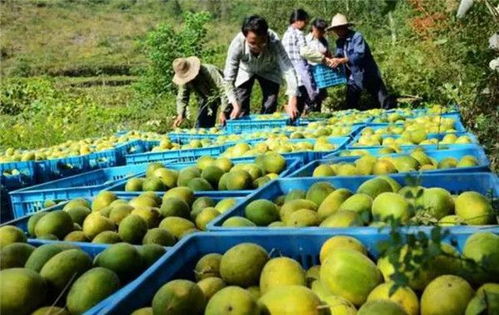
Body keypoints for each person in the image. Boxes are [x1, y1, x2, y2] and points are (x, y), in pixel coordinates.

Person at [222, 15, 300, 123]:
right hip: (246, 69)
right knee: (240, 102)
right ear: (245, 37)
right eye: (253, 43)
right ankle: (242, 130)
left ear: (266, 35)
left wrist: (292, 99)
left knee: (270, 102)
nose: (258, 46)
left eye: (262, 41)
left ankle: (266, 130)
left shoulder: (274, 41)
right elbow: (228, 79)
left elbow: (288, 69)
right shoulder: (237, 45)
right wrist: (234, 105)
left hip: (269, 69)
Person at [326, 13, 394, 109]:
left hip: (367, 72)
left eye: (339, 28)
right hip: (353, 75)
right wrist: (334, 60)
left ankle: (389, 114)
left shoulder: (357, 37)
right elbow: (339, 55)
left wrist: (343, 60)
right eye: (335, 29)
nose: (337, 31)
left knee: (383, 98)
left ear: (345, 27)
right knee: (351, 103)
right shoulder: (339, 42)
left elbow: (359, 54)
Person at [172, 56, 233, 128]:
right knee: (202, 126)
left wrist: (224, 111)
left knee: (230, 122)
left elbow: (224, 90)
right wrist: (180, 114)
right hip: (207, 99)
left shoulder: (210, 71)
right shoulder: (185, 80)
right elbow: (182, 97)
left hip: (228, 96)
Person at [282, 9, 318, 114]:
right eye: (305, 22)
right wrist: (323, 59)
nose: (306, 25)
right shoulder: (299, 33)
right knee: (307, 104)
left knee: (294, 105)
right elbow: (305, 52)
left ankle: (294, 125)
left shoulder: (286, 35)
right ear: (298, 21)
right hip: (300, 76)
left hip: (289, 76)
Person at [304, 18, 332, 112]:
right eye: (318, 30)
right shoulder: (305, 40)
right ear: (313, 28)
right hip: (310, 73)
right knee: (310, 97)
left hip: (322, 73)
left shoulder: (324, 41)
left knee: (320, 98)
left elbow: (328, 54)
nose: (320, 32)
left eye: (322, 30)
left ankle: (317, 114)